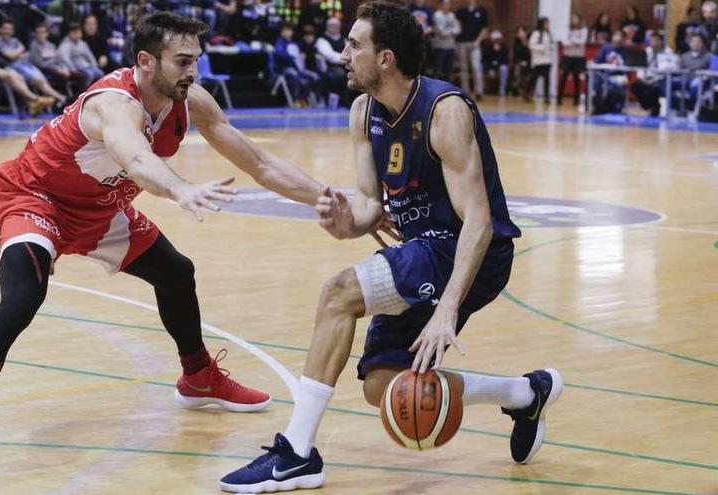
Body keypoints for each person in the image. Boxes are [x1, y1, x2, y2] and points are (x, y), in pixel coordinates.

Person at [0, 12, 329, 493]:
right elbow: (136, 158)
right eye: (182, 60)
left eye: (197, 59)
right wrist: (180, 190)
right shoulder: (114, 103)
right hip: (36, 197)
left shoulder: (189, 100)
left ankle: (198, 377)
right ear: (146, 61)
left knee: (176, 272)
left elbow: (259, 161)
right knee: (22, 298)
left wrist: (327, 197)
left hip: (99, 206)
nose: (192, 70)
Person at [220, 1, 562, 492]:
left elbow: (480, 221)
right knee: (385, 384)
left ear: (385, 59)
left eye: (354, 45)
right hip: (425, 248)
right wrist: (345, 224)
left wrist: (447, 308)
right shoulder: (363, 112)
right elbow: (367, 205)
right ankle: (527, 393)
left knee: (339, 292)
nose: (343, 55)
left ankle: (296, 452)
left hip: (470, 249)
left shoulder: (444, 112)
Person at [454, 0, 487, 100]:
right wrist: (458, 27)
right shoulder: (462, 11)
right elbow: (454, 19)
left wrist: (478, 40)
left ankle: (479, 92)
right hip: (462, 42)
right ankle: (465, 92)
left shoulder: (481, 11)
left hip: (475, 43)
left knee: (476, 67)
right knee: (464, 68)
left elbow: (484, 29)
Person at [557, 12, 587, 106]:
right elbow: (564, 42)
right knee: (563, 77)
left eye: (575, 18)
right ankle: (559, 98)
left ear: (579, 19)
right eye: (572, 18)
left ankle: (576, 99)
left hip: (579, 57)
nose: (574, 20)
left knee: (577, 77)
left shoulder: (584, 29)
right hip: (567, 56)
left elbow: (582, 41)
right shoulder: (566, 29)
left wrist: (572, 41)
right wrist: (574, 43)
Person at [527, 17, 553, 103]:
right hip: (538, 61)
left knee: (547, 79)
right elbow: (531, 45)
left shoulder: (548, 34)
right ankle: (528, 94)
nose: (547, 25)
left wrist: (549, 49)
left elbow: (550, 45)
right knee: (534, 78)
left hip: (547, 60)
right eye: (546, 23)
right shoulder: (536, 33)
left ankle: (546, 96)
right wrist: (542, 48)